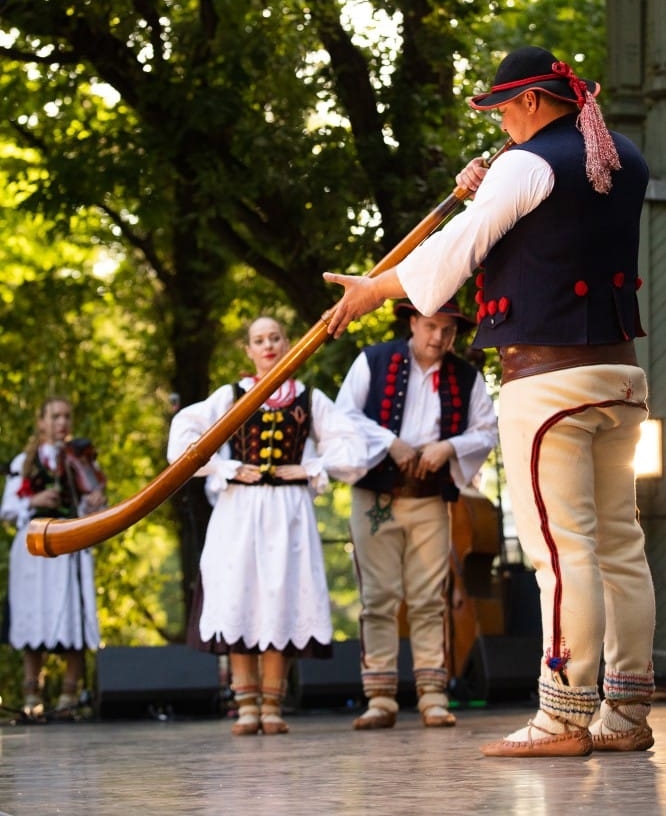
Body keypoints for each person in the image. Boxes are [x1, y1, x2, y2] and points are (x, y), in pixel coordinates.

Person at [322, 45, 656, 757]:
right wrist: (490, 186)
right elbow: (542, 224)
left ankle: (562, 716)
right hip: (622, 376)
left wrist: (374, 289)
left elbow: (453, 259)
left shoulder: (525, 163)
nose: (502, 123)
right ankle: (625, 713)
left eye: (504, 110)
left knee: (563, 553)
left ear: (533, 102)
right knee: (622, 547)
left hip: (548, 384)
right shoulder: (624, 156)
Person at [167, 315, 366, 736]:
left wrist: (313, 467)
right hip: (239, 511)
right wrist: (226, 466)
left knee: (281, 597)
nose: (268, 345)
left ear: (287, 342)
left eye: (275, 337)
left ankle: (272, 704)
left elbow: (352, 447)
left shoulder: (309, 398)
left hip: (288, 513)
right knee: (240, 596)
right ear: (249, 350)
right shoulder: (231, 396)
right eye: (259, 339)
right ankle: (245, 706)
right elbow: (183, 434)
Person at [335, 297, 497, 730]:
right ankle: (380, 698)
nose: (439, 337)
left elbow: (486, 430)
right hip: (376, 497)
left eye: (448, 330)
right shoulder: (374, 359)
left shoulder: (467, 376)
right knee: (378, 598)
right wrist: (390, 442)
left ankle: (433, 695)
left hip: (429, 498)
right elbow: (343, 416)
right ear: (412, 321)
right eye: (430, 326)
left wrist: (450, 447)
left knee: (430, 599)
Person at [1, 396, 107, 717]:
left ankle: (68, 698)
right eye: (55, 416)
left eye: (66, 417)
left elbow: (95, 508)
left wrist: (94, 501)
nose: (62, 423)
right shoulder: (25, 462)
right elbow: (7, 509)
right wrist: (35, 500)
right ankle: (32, 696)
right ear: (42, 422)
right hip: (34, 549)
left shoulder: (81, 461)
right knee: (33, 616)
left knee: (73, 616)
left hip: (70, 548)